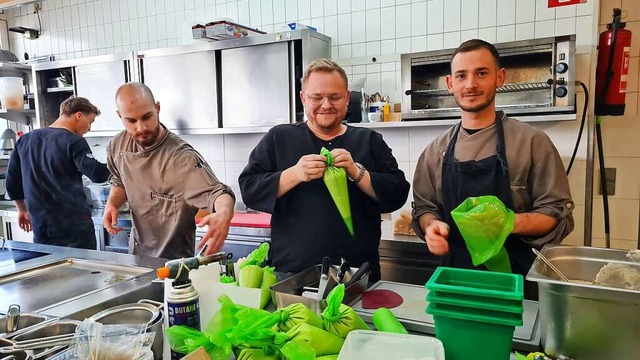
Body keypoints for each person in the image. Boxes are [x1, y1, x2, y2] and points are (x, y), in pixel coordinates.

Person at [412, 39, 575, 295]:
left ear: (499, 77)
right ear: (449, 83)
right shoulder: (435, 151)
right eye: (461, 75)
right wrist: (431, 225)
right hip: (457, 281)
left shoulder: (532, 142)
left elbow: (556, 213)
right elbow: (425, 208)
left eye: (481, 73)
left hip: (517, 282)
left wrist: (510, 222)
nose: (471, 84)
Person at [238, 59, 410, 282]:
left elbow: (397, 192)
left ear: (347, 97)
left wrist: (357, 173)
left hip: (358, 274)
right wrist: (295, 174)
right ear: (303, 98)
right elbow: (249, 188)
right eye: (317, 97)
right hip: (291, 274)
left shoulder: (369, 141)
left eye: (335, 97)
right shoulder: (279, 138)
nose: (326, 105)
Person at [103, 82, 235, 259]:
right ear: (120, 116)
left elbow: (218, 192)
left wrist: (223, 214)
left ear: (157, 108)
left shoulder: (181, 158)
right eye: (131, 121)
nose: (141, 128)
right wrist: (112, 203)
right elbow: (119, 180)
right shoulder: (117, 145)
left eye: (147, 117)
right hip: (136, 258)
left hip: (175, 267)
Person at [6, 96, 110, 249]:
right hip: (75, 230)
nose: (89, 129)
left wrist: (22, 210)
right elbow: (97, 174)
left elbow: (12, 183)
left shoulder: (25, 140)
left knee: (51, 272)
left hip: (42, 229)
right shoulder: (73, 141)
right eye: (90, 122)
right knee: (83, 273)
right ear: (78, 115)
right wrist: (120, 163)